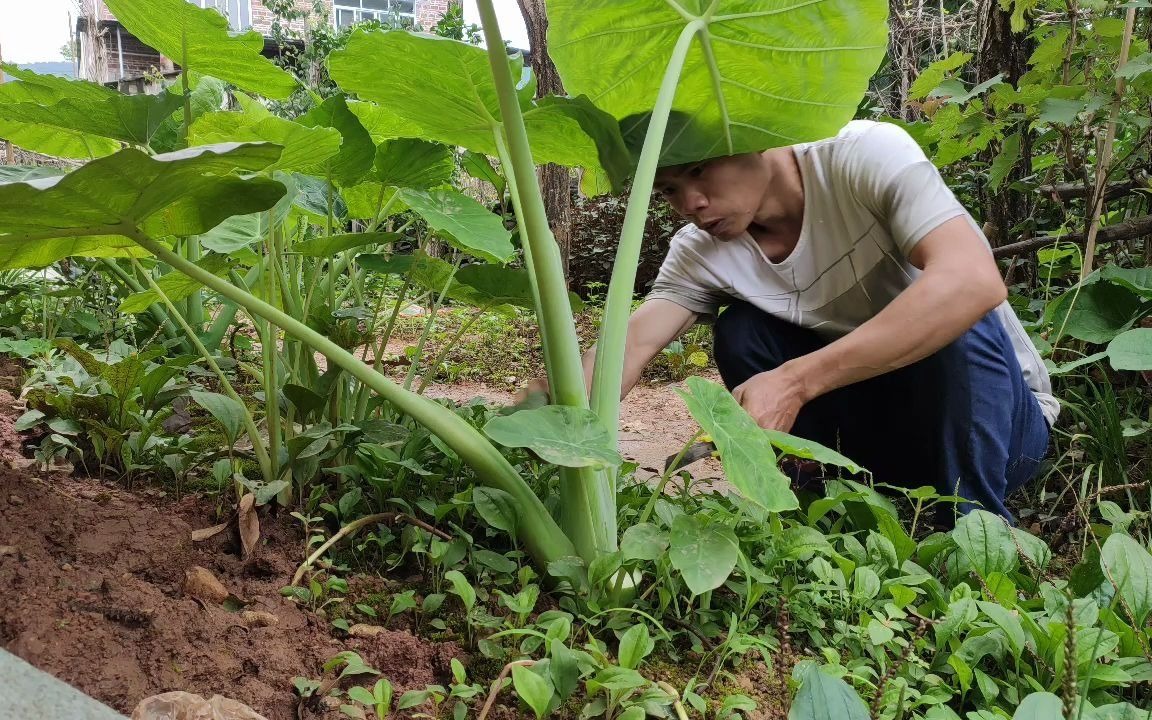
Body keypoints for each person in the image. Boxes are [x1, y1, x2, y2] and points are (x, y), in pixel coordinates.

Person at [531, 119, 1057, 522]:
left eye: (699, 170)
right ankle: (815, 491)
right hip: (884, 437)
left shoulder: (859, 155)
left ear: (760, 136)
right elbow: (634, 344)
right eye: (669, 189)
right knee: (741, 328)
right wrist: (542, 415)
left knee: (951, 308)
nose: (691, 202)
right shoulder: (700, 249)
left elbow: (974, 283)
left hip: (1002, 432)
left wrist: (795, 381)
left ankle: (975, 527)